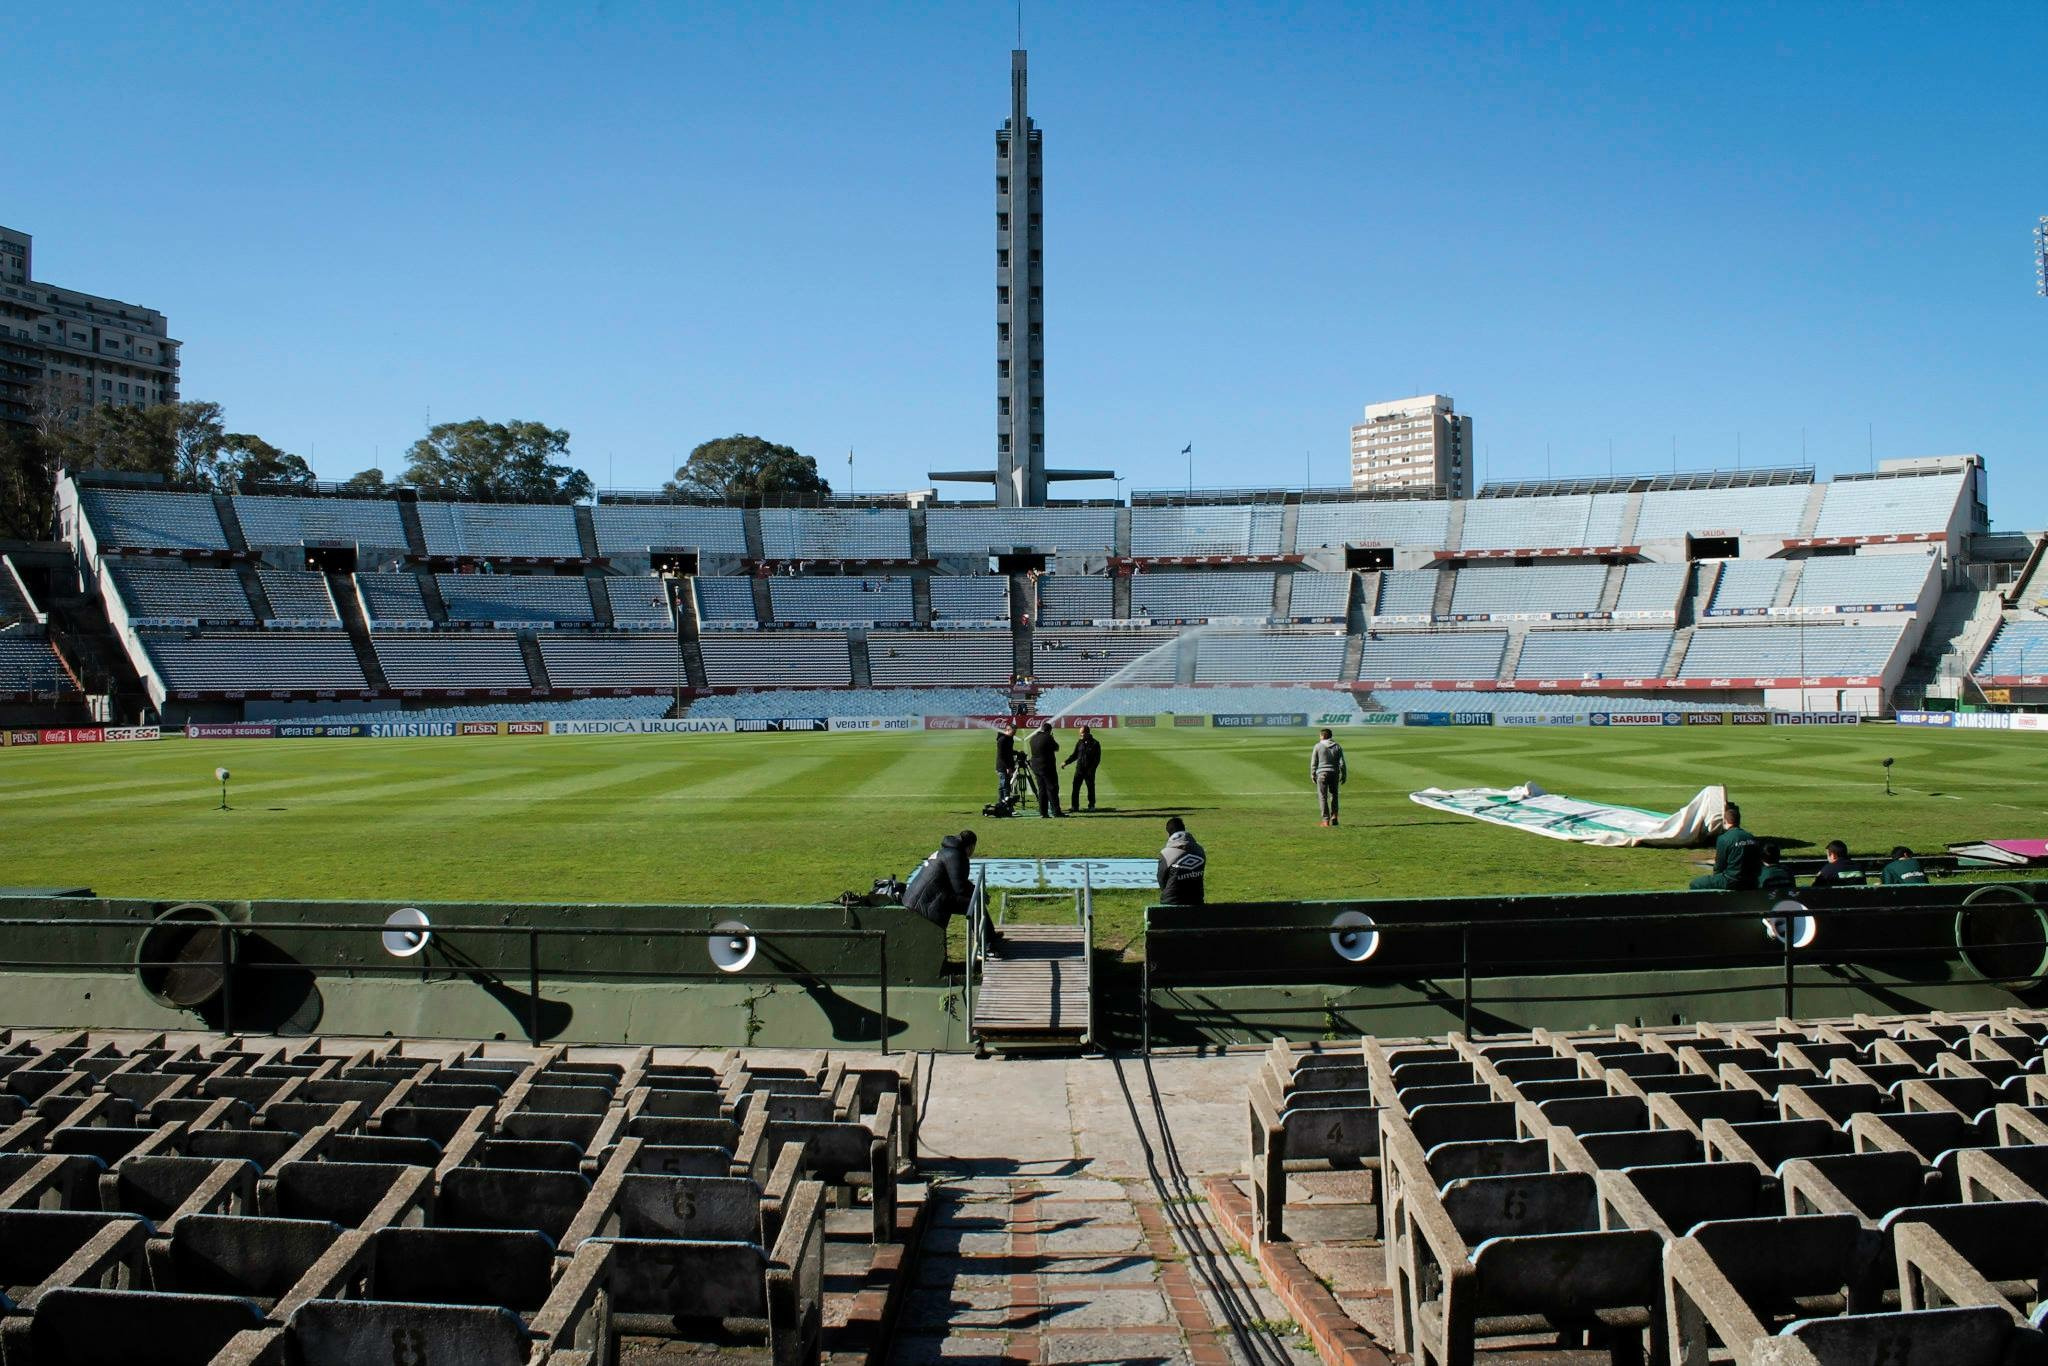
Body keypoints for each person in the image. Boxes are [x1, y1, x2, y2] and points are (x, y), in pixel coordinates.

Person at [904, 829, 978, 930]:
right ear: (971, 847)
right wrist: (977, 893)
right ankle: (989, 940)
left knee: (974, 901)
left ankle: (990, 938)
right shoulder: (956, 855)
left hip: (914, 899)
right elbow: (960, 888)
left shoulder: (946, 851)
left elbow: (958, 880)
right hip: (925, 902)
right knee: (975, 903)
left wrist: (975, 890)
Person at [1690, 802, 1761, 890]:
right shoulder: (1751, 837)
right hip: (1751, 881)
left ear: (1725, 821)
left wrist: (1717, 879)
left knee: (1695, 883)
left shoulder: (1723, 839)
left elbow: (1719, 865)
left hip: (1732, 881)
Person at [1158, 817, 1207, 906]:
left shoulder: (1166, 853)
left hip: (1171, 901)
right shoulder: (1200, 850)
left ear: (1168, 833)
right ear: (1184, 829)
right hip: (1196, 900)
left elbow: (1161, 879)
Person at [1310, 728, 1348, 827]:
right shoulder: (1337, 746)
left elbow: (1314, 762)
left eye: (1320, 735)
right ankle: (1334, 817)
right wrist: (1344, 774)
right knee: (1334, 796)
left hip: (1322, 773)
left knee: (1323, 797)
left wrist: (1313, 774)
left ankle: (1325, 820)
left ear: (1323, 736)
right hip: (1334, 773)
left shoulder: (1318, 746)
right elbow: (1342, 763)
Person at [1028, 721, 1064, 818]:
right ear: (1049, 730)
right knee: (1052, 789)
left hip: (1036, 766)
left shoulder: (1033, 738)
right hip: (1046, 766)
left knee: (1042, 790)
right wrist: (1052, 738)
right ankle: (1056, 811)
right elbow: (1056, 748)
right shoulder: (1048, 737)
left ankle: (1043, 812)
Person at [1063, 724, 1102, 812]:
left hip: (1089, 771)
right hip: (1079, 769)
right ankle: (1074, 806)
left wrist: (1092, 769)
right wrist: (1066, 762)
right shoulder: (1079, 743)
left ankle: (1091, 806)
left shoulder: (1095, 743)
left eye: (1081, 734)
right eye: (1080, 734)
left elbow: (1097, 759)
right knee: (1075, 788)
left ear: (1087, 733)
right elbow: (1074, 755)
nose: (1080, 735)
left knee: (1090, 788)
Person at [994, 722, 1018, 805]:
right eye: (1013, 732)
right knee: (1005, 786)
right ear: (1008, 730)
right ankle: (1007, 805)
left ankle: (1001, 804)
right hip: (1003, 766)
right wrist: (1008, 767)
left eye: (1015, 732)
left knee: (1003, 786)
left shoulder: (1010, 738)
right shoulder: (1002, 740)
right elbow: (1001, 755)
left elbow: (1009, 751)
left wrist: (1017, 753)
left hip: (1007, 765)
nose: (1014, 734)